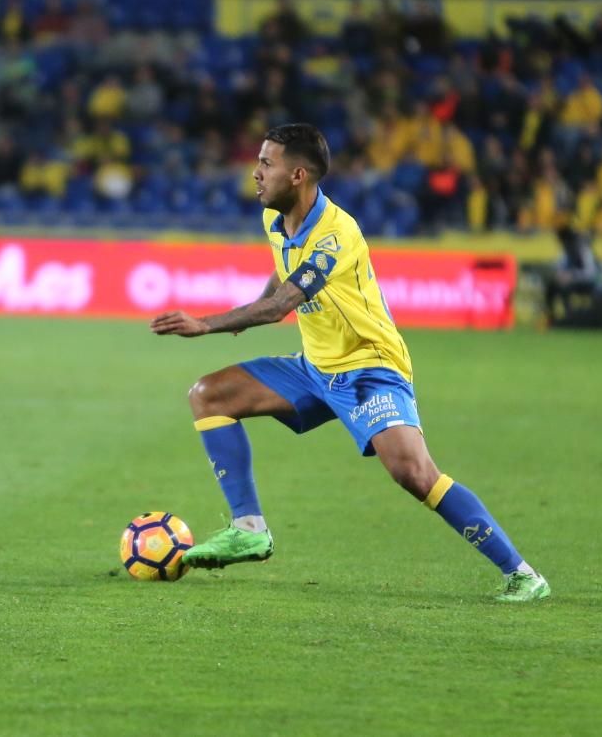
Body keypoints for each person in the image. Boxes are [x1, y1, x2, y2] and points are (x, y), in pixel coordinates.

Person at [150, 124, 549, 603]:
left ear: (298, 175)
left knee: (414, 474)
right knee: (208, 395)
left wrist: (209, 323)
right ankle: (249, 528)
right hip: (316, 367)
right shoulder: (275, 220)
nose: (255, 173)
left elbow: (283, 306)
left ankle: (522, 572)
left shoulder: (336, 234)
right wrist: (246, 313)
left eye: (266, 163)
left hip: (368, 366)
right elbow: (280, 275)